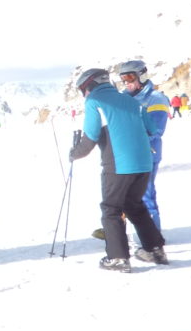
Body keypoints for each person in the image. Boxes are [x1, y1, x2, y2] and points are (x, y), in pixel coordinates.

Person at [69, 68, 167, 272]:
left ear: (89, 84)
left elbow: (90, 138)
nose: (83, 93)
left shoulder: (95, 101)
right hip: (144, 162)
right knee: (134, 205)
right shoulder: (133, 101)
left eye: (82, 89)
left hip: (119, 165)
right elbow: (151, 129)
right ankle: (155, 250)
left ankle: (118, 257)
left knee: (111, 209)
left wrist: (74, 153)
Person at [118, 60, 170, 232]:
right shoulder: (124, 98)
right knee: (121, 193)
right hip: (127, 155)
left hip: (148, 154)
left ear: (142, 76)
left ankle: (153, 234)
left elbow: (156, 129)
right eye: (124, 79)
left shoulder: (155, 98)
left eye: (131, 78)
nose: (127, 83)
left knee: (145, 194)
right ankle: (118, 230)